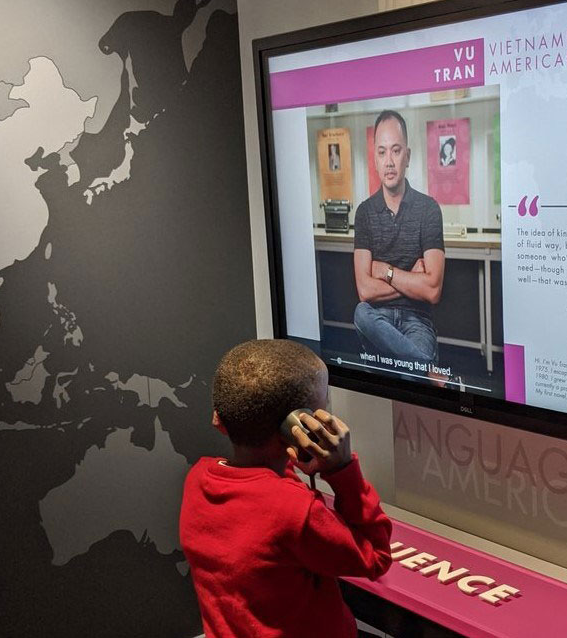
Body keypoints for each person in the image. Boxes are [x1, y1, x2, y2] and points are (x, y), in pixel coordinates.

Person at [179, 339, 393, 638]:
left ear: (219, 419)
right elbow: (375, 557)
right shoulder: (294, 511)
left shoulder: (199, 478)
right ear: (301, 429)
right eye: (323, 407)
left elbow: (262, 506)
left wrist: (293, 465)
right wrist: (342, 471)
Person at [353, 109, 446, 378]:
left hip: (417, 321)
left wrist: (386, 272)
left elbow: (432, 290)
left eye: (396, 150)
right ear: (375, 159)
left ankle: (417, 365)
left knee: (408, 377)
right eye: (382, 152)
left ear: (408, 155)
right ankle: (425, 366)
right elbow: (364, 290)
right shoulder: (365, 212)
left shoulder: (428, 209)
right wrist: (411, 280)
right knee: (361, 312)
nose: (389, 161)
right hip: (376, 319)